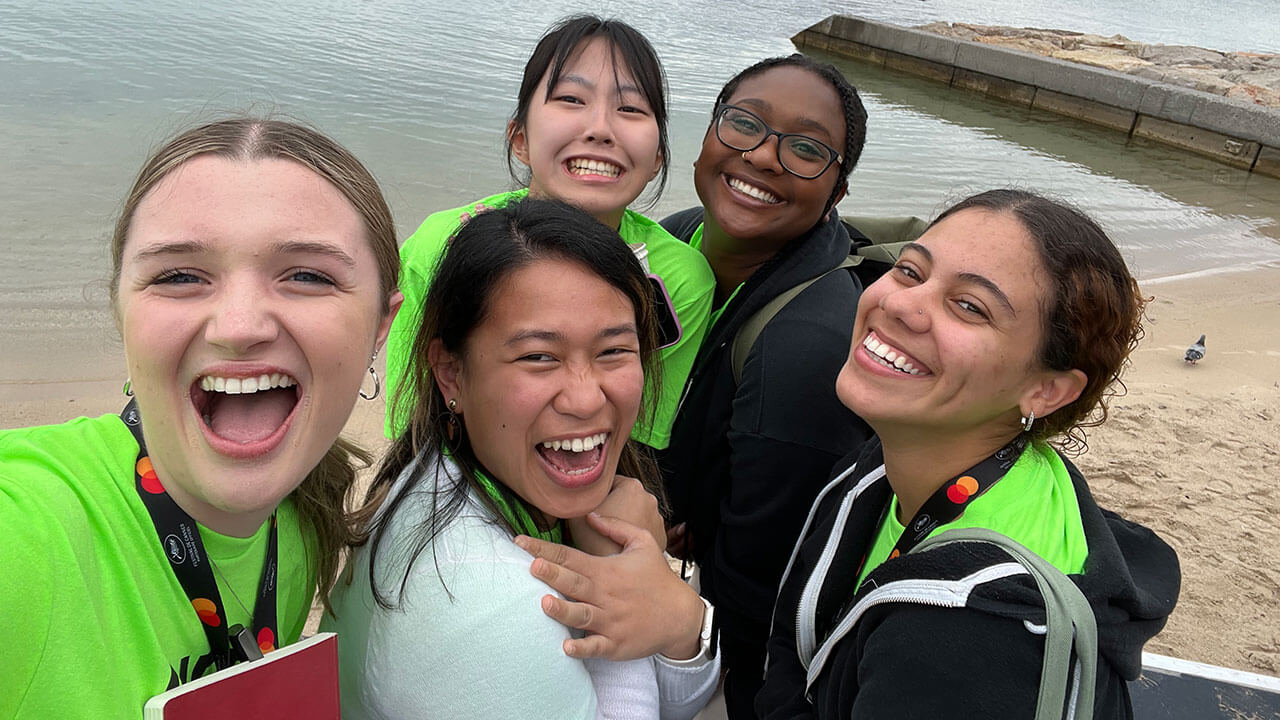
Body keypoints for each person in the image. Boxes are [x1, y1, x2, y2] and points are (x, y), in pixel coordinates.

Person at [0, 117, 403, 718]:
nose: (240, 326)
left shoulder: (304, 521)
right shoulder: (31, 535)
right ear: (121, 313)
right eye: (180, 276)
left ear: (381, 327)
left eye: (308, 276)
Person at [754, 189, 1181, 718]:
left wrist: (686, 642)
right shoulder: (891, 465)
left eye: (969, 306)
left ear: (1046, 391)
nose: (899, 303)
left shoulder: (972, 637)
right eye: (910, 271)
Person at [326, 199, 718, 719]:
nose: (585, 399)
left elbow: (680, 691)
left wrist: (679, 619)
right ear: (450, 373)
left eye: (614, 351)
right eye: (538, 357)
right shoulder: (490, 604)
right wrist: (622, 581)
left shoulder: (438, 474)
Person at [384, 14, 715, 453]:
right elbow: (413, 423)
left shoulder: (680, 280)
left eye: (630, 109)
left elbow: (634, 441)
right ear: (519, 138)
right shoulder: (440, 244)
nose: (600, 128)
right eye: (571, 99)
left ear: (657, 157)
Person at [657, 55, 875, 716]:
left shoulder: (806, 347)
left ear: (838, 193)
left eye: (807, 149)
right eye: (744, 123)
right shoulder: (677, 241)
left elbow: (759, 585)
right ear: (707, 136)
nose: (763, 156)